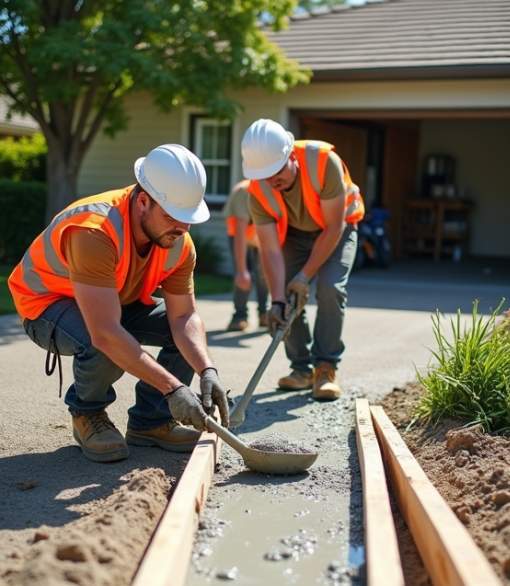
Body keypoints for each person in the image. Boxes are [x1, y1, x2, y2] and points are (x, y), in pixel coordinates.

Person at [8, 144, 230, 462]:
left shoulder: (179, 242)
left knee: (172, 330)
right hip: (46, 306)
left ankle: (150, 423)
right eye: (172, 216)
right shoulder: (93, 230)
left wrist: (207, 371)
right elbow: (105, 333)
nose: (182, 228)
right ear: (143, 200)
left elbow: (184, 316)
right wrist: (173, 388)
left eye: (188, 218)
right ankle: (88, 414)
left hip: (111, 303)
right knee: (103, 342)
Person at [241, 119, 365, 401]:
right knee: (285, 296)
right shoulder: (257, 191)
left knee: (330, 288)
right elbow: (270, 250)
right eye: (264, 174)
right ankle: (301, 369)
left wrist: (303, 276)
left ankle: (325, 367)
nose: (272, 180)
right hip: (296, 234)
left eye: (276, 170)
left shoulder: (324, 161)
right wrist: (276, 299)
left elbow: (334, 227)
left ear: (291, 155)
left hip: (338, 228)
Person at [223, 179, 269, 331]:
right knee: (244, 277)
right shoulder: (245, 191)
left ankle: (265, 314)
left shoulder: (275, 190)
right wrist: (242, 270)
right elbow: (240, 232)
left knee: (264, 275)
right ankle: (239, 316)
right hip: (238, 236)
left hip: (260, 235)